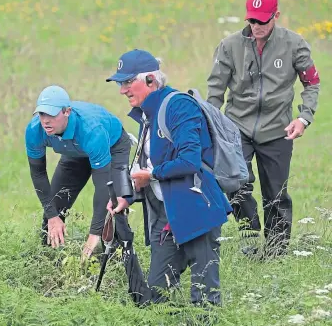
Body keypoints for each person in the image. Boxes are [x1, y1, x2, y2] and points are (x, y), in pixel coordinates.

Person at [106, 49, 232, 306]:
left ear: (151, 80)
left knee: (205, 296)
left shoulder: (179, 106)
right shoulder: (147, 115)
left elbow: (190, 161)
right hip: (168, 214)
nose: (123, 90)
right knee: (154, 297)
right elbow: (150, 168)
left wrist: (151, 173)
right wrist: (127, 198)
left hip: (197, 207)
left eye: (128, 82)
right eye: (121, 83)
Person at [206, 0, 321, 258]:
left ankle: (276, 253)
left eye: (262, 21)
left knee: (276, 194)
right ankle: (249, 231)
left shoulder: (295, 44)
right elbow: (215, 89)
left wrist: (304, 118)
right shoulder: (229, 46)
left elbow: (311, 83)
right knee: (234, 182)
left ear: (276, 16)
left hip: (278, 129)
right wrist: (213, 123)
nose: (256, 26)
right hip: (237, 128)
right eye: (252, 21)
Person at [25, 85, 133, 260]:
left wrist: (94, 233)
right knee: (53, 209)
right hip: (75, 152)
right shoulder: (35, 130)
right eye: (41, 114)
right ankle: (46, 266)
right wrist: (53, 216)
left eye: (51, 115)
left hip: (112, 146)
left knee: (113, 206)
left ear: (67, 112)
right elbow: (38, 174)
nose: (45, 121)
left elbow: (102, 186)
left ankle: (115, 262)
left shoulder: (92, 130)